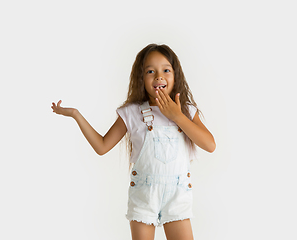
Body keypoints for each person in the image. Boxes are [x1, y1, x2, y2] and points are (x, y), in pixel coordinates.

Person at [51, 43, 216, 240]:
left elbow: (210, 145)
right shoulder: (132, 112)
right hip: (144, 196)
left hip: (177, 196)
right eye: (150, 71)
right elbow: (102, 147)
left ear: (175, 75)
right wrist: (76, 115)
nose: (158, 76)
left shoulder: (186, 111)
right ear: (141, 78)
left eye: (166, 70)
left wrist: (177, 116)